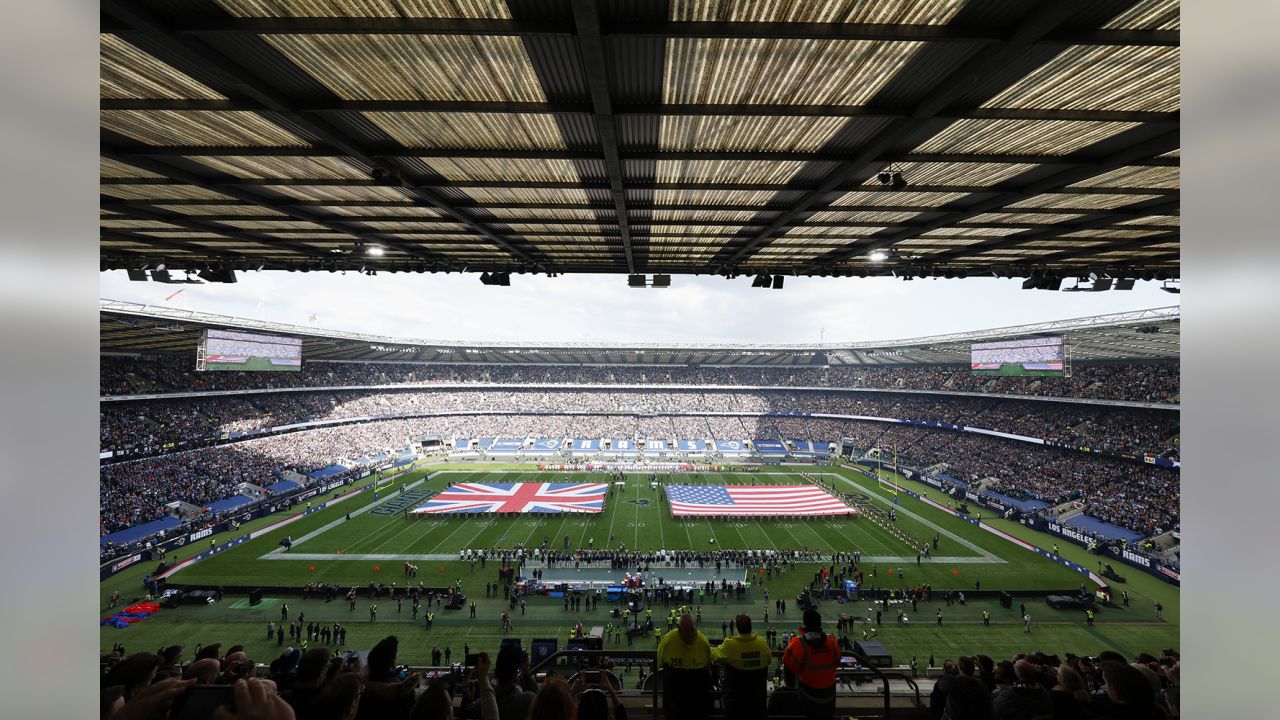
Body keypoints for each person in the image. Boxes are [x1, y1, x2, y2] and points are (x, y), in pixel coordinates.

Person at [783, 610, 841, 720]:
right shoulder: (832, 642)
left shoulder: (798, 644)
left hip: (807, 696)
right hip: (829, 695)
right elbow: (836, 662)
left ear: (805, 623)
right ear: (820, 623)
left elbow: (788, 670)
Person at [712, 614, 772, 720]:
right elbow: (769, 659)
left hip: (736, 705)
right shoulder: (762, 643)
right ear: (751, 626)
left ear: (737, 628)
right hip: (758, 704)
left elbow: (716, 656)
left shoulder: (731, 644)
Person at [656, 613, 713, 720]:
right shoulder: (668, 641)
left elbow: (661, 661)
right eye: (687, 631)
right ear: (679, 629)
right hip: (676, 695)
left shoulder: (702, 641)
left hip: (695, 696)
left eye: (693, 630)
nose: (691, 634)